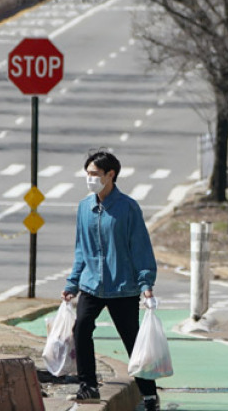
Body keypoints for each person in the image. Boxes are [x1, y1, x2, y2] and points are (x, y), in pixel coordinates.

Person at [63, 150, 160, 410]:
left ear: (110, 175)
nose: (90, 179)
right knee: (81, 328)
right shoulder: (84, 207)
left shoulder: (128, 208)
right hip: (91, 284)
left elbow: (140, 247)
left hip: (122, 287)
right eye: (88, 174)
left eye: (95, 174)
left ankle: (149, 396)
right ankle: (88, 386)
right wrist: (72, 283)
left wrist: (146, 284)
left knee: (132, 340)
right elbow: (81, 248)